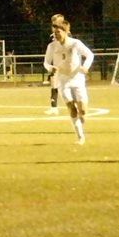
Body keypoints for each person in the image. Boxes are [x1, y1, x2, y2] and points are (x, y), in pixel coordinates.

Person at [43, 16, 94, 145]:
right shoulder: (52, 46)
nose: (56, 35)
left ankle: (81, 117)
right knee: (71, 108)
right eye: (54, 33)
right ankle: (80, 137)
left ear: (66, 32)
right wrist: (51, 68)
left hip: (77, 79)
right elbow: (46, 62)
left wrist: (85, 66)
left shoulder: (75, 43)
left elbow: (89, 55)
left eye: (58, 32)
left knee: (83, 110)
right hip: (63, 80)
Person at [43, 14, 63, 115]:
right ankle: (54, 107)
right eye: (54, 23)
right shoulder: (52, 37)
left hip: (67, 65)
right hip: (56, 65)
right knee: (54, 85)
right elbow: (50, 51)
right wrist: (50, 67)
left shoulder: (67, 35)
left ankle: (76, 105)